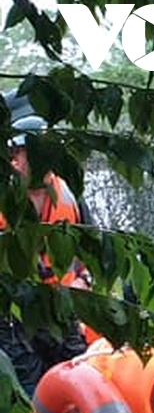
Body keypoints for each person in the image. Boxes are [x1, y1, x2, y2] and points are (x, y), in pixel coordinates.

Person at [2, 106, 90, 395]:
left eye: (22, 154)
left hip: (62, 313)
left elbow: (92, 252)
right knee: (27, 395)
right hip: (14, 319)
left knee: (77, 389)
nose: (17, 161)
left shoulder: (70, 197)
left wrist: (84, 281)